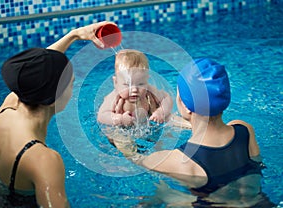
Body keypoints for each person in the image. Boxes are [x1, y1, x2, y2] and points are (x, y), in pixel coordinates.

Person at [0, 21, 116, 208]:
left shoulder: (8, 108)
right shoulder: (44, 160)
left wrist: (75, 35)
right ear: (54, 98)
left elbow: (32, 70)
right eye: (71, 84)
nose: (74, 87)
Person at [115, 58, 274, 207]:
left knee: (163, 191)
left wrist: (120, 140)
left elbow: (135, 158)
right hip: (262, 203)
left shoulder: (179, 160)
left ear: (185, 106)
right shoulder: (245, 130)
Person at [97, 49, 173, 126]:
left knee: (169, 119)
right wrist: (120, 119)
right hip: (122, 128)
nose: (134, 89)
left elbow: (166, 98)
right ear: (116, 82)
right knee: (117, 136)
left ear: (146, 80)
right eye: (127, 85)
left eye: (140, 84)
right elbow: (101, 115)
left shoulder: (149, 90)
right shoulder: (115, 96)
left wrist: (161, 112)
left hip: (148, 122)